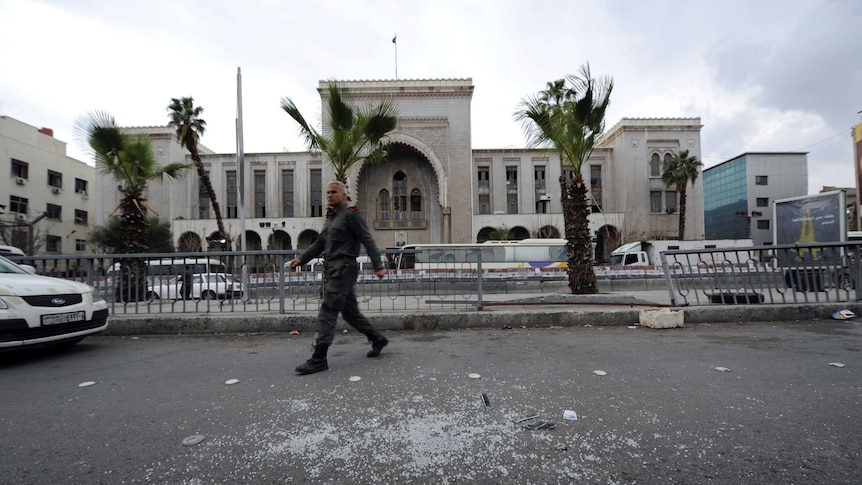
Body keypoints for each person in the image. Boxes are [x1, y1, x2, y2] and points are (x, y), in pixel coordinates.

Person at [288, 181, 389, 375]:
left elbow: (367, 239)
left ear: (344, 195)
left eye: (334, 192)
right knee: (351, 314)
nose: (329, 195)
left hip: (344, 269)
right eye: (327, 192)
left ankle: (319, 358)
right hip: (335, 270)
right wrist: (301, 259)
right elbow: (319, 244)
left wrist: (378, 266)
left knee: (328, 310)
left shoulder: (351, 215)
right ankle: (377, 339)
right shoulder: (332, 219)